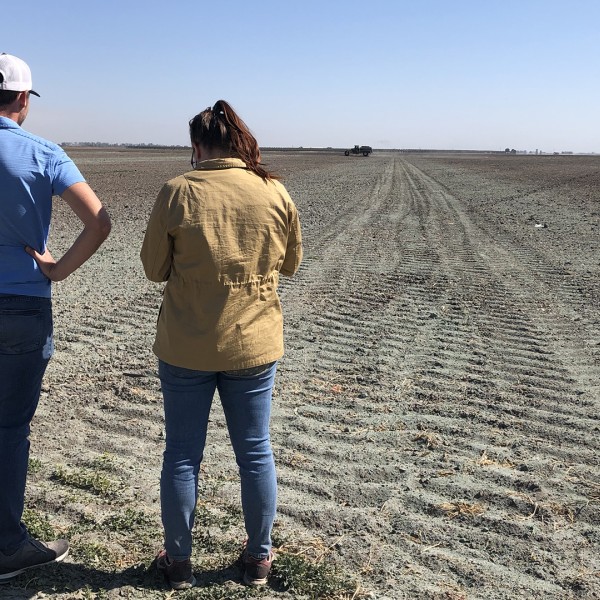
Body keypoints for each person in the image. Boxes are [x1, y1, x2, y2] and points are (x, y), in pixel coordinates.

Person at [140, 100, 302, 590]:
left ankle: (179, 563)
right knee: (255, 451)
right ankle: (258, 561)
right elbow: (291, 264)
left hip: (185, 346)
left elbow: (153, 269)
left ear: (196, 146)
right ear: (238, 142)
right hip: (252, 345)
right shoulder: (273, 192)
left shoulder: (178, 191)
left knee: (183, 454)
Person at [0, 53, 111, 582]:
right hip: (22, 305)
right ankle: (6, 546)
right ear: (24, 99)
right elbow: (99, 220)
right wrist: (58, 269)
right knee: (9, 428)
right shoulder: (43, 152)